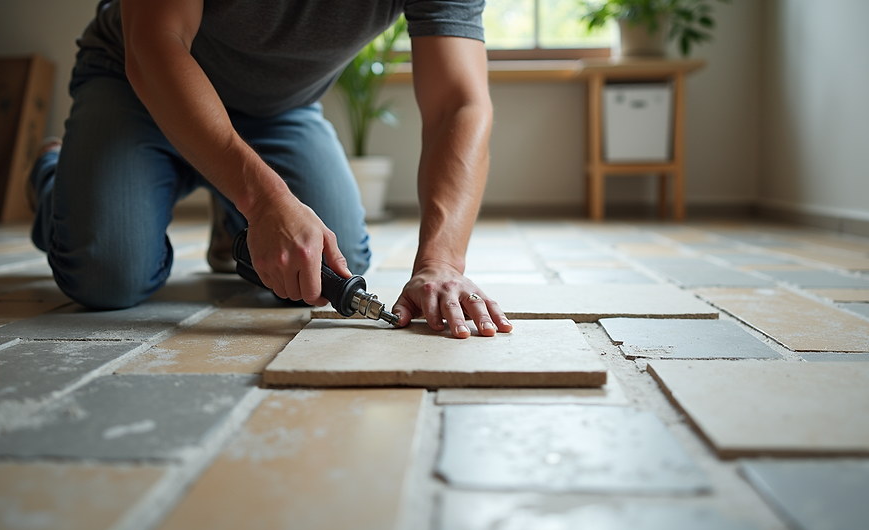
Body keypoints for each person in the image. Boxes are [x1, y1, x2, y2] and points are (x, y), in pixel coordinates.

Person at [29, 0, 512, 339]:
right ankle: (53, 172)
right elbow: (156, 41)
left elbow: (459, 105)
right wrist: (264, 201)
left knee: (323, 269)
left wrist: (441, 262)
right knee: (105, 275)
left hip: (278, 110)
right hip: (138, 84)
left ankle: (231, 219)